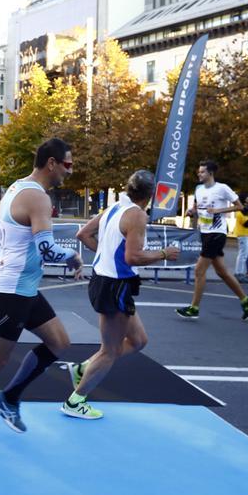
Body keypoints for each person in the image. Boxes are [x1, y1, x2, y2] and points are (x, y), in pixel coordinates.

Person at [0, 138, 81, 436]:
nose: (70, 170)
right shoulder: (38, 198)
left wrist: (14, 244)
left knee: (59, 343)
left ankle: (8, 398)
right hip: (11, 292)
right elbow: (49, 251)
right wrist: (73, 257)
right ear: (51, 163)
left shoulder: (15, 187)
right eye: (67, 164)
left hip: (22, 290)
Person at [67, 170, 180, 419]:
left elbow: (82, 234)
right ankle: (75, 401)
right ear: (149, 196)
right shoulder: (137, 215)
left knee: (139, 341)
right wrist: (164, 253)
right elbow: (133, 257)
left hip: (107, 281)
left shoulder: (114, 208)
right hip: (114, 285)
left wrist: (104, 255)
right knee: (110, 350)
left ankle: (84, 367)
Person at [175, 161, 248, 321]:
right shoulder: (198, 189)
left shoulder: (222, 188)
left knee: (199, 270)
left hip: (217, 234)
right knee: (222, 272)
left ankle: (194, 308)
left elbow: (239, 207)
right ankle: (246, 300)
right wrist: (191, 211)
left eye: (202, 172)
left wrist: (219, 210)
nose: (199, 174)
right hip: (205, 233)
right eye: (199, 171)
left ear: (211, 173)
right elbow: (198, 207)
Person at [232, 194, 248, 283]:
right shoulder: (240, 210)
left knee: (243, 254)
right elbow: (245, 222)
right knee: (243, 254)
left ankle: (239, 272)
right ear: (244, 199)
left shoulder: (246, 210)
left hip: (246, 234)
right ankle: (238, 273)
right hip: (242, 234)